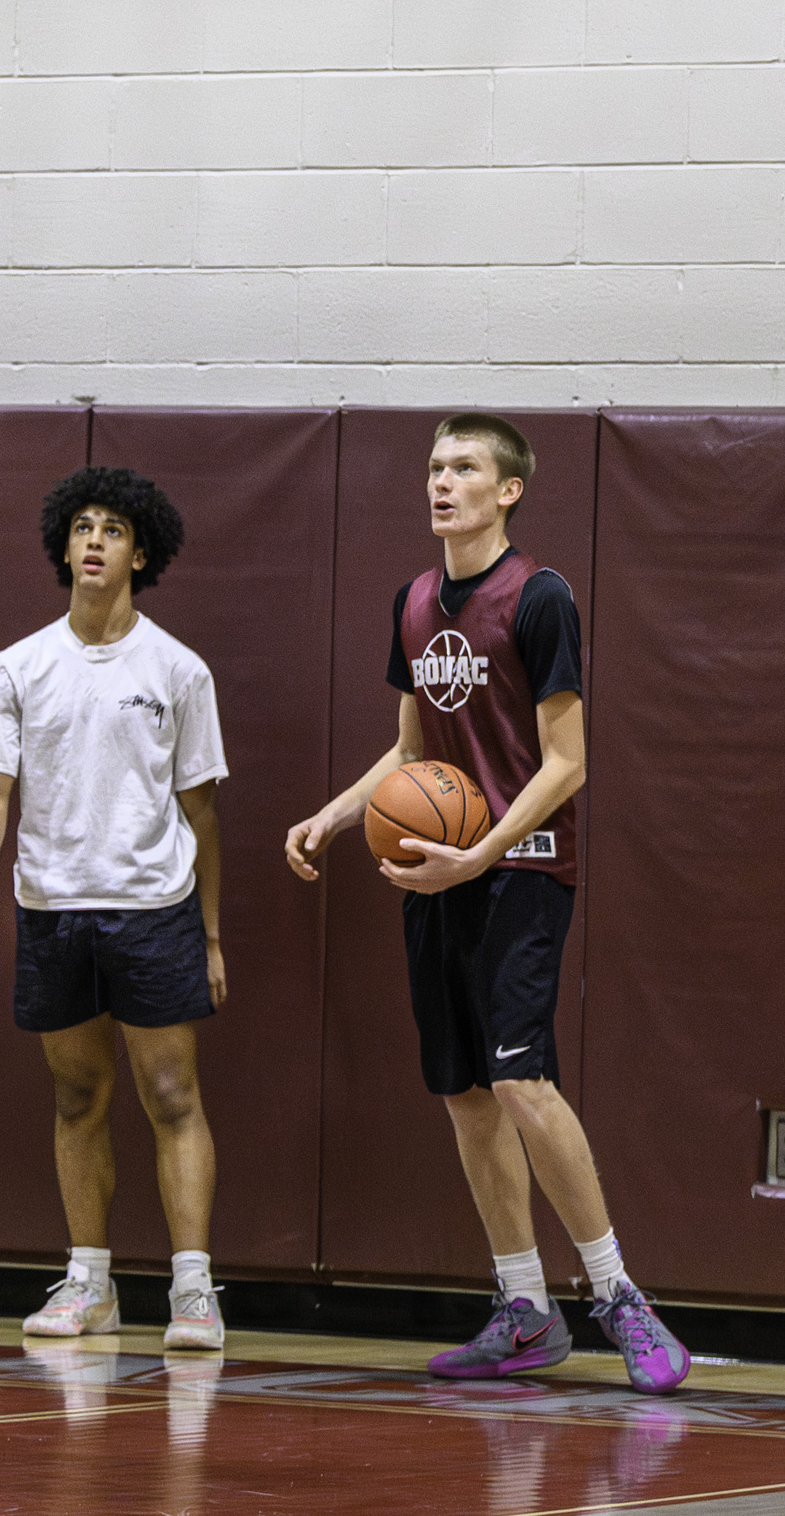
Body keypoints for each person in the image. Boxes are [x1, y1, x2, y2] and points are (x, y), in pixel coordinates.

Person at [286, 415, 690, 1393]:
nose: (442, 480)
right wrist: (337, 815)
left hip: (524, 863)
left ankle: (616, 1294)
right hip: (438, 865)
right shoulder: (416, 600)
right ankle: (522, 1309)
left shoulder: (540, 597)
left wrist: (483, 855)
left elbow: (568, 763)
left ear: (508, 490)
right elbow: (414, 751)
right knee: (465, 1094)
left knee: (522, 1082)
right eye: (434, 465)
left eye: (465, 467)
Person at [0, 467, 229, 1351]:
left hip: (153, 909)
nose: (95, 540)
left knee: (170, 1092)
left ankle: (193, 1291)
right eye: (82, 526)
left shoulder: (181, 669)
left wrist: (213, 935)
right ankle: (89, 1281)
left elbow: (202, 813)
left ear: (139, 551)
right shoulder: (20, 666)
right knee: (78, 1094)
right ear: (64, 547)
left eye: (113, 528)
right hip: (51, 907)